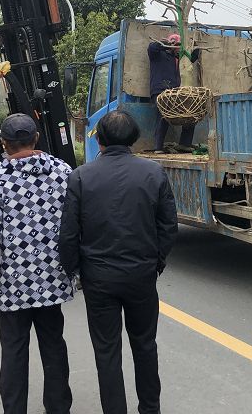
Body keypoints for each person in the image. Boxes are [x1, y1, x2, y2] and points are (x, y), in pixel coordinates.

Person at [59, 110, 178, 414]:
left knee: (107, 352)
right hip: (141, 275)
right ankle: (150, 409)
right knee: (145, 346)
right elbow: (168, 226)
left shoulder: (81, 177)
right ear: (134, 139)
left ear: (99, 140)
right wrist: (157, 261)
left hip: (99, 279)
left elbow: (69, 235)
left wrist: (75, 271)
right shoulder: (153, 173)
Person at [0, 113, 75, 414]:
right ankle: (59, 408)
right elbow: (75, 227)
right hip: (53, 281)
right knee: (53, 344)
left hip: (13, 286)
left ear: (4, 143)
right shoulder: (63, 172)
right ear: (37, 137)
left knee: (14, 351)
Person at [147, 33, 200, 153]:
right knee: (164, 116)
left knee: (190, 114)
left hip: (176, 92)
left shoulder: (179, 58)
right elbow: (152, 47)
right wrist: (166, 44)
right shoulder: (158, 55)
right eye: (176, 45)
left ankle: (185, 144)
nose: (177, 48)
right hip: (161, 91)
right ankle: (158, 147)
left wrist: (195, 46)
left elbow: (193, 57)